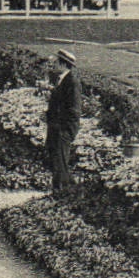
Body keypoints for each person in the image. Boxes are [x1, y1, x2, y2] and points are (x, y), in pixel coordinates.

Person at [45, 49, 82, 192]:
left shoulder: (72, 81)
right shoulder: (62, 79)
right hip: (56, 127)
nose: (53, 65)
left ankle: (62, 191)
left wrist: (67, 130)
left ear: (63, 64)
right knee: (57, 161)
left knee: (60, 162)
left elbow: (74, 109)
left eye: (55, 63)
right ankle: (63, 191)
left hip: (62, 129)